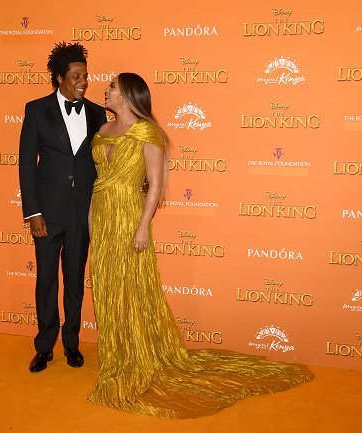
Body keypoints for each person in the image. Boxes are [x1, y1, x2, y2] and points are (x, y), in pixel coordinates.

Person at [87, 72, 313, 418]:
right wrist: (91, 222)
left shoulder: (149, 133)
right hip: (102, 216)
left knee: (133, 288)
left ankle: (140, 357)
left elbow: (156, 183)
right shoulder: (102, 132)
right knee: (107, 288)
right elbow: (99, 183)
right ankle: (118, 356)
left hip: (130, 218)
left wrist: (143, 227)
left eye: (113, 87)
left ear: (129, 96)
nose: (106, 89)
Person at [19, 42, 107, 373]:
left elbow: (109, 159)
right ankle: (44, 346)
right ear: (59, 78)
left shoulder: (98, 113)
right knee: (46, 280)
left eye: (85, 75)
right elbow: (27, 164)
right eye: (75, 76)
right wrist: (33, 212)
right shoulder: (37, 110)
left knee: (73, 279)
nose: (83, 81)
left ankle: (71, 342)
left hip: (82, 212)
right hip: (47, 212)